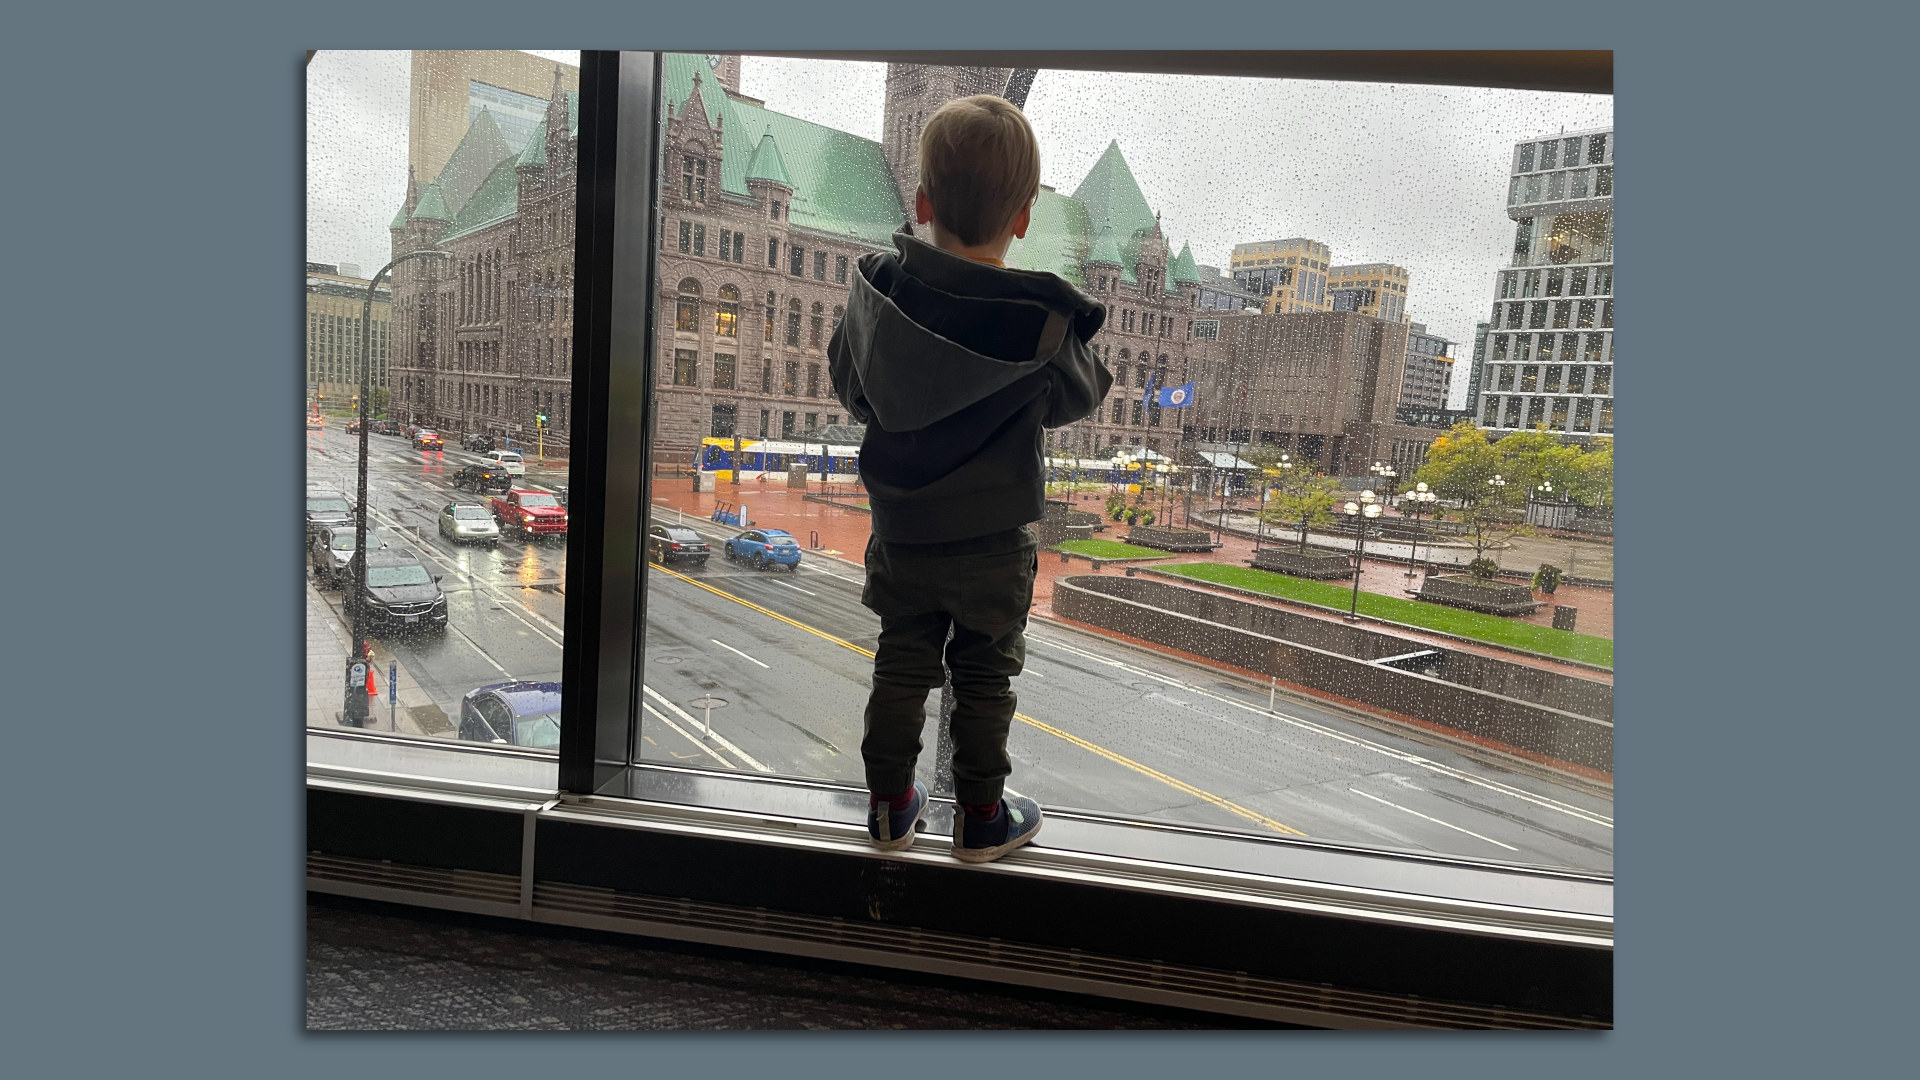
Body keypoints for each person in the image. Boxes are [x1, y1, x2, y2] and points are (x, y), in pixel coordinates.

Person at [829, 95, 1111, 864]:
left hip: (904, 536)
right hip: (992, 547)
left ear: (920, 204)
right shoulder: (1038, 321)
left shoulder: (881, 293)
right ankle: (981, 817)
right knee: (985, 679)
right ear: (1022, 218)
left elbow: (850, 385)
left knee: (901, 663)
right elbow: (1083, 394)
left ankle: (890, 808)